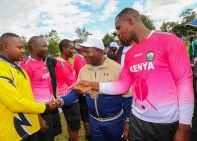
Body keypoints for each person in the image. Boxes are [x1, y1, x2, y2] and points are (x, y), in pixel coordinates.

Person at [72, 8, 194, 141]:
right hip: (137, 119)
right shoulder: (130, 54)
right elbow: (123, 85)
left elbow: (184, 82)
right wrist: (93, 85)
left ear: (130, 21)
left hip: (165, 123)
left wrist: (185, 126)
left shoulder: (168, 40)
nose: (117, 33)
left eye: (119, 28)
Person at [0, 33, 58, 141]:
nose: (23, 51)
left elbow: (28, 95)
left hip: (27, 128)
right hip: (12, 134)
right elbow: (14, 102)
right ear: (5, 47)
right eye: (20, 47)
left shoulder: (15, 66)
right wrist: (45, 107)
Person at [56, 36, 126, 141]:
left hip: (115, 121)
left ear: (99, 51)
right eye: (83, 51)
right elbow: (77, 91)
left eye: (87, 51)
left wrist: (128, 121)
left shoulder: (117, 68)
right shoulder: (84, 70)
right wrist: (61, 101)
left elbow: (128, 97)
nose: (84, 55)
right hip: (94, 122)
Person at [20, 36, 62, 141]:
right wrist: (39, 118)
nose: (47, 48)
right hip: (41, 111)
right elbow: (26, 95)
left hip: (51, 106)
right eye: (44, 46)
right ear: (34, 47)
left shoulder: (41, 61)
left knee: (52, 136)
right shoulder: (26, 66)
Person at [55, 39, 81, 141]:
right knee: (74, 126)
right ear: (64, 49)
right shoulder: (62, 65)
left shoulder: (66, 61)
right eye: (71, 48)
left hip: (70, 96)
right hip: (69, 98)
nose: (74, 50)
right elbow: (74, 83)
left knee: (71, 124)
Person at [74, 44, 91, 140]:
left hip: (84, 88)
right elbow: (84, 75)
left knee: (86, 113)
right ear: (81, 49)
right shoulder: (80, 59)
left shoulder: (80, 58)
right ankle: (88, 135)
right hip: (83, 90)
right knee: (86, 114)